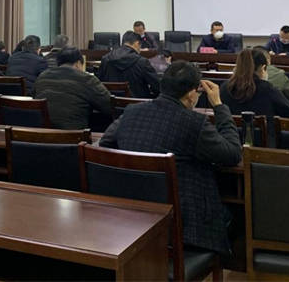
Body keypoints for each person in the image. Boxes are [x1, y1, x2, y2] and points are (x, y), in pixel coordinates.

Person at [100, 61, 241, 256]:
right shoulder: (194, 123)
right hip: (184, 225)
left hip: (134, 215)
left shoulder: (131, 112)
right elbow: (233, 154)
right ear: (191, 94)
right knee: (235, 215)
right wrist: (218, 105)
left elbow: (105, 144)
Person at [220, 47, 289, 128]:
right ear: (263, 68)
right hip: (263, 137)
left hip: (230, 136)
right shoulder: (267, 89)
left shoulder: (225, 87)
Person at [34, 47, 112, 129]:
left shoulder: (42, 77)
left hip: (42, 134)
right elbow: (110, 107)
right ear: (78, 63)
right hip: (74, 134)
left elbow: (35, 98)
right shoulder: (87, 79)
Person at [98, 31, 160, 98]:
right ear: (137, 43)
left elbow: (100, 83)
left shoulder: (105, 59)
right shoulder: (142, 62)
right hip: (139, 103)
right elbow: (157, 87)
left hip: (112, 102)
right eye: (140, 46)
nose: (140, 50)